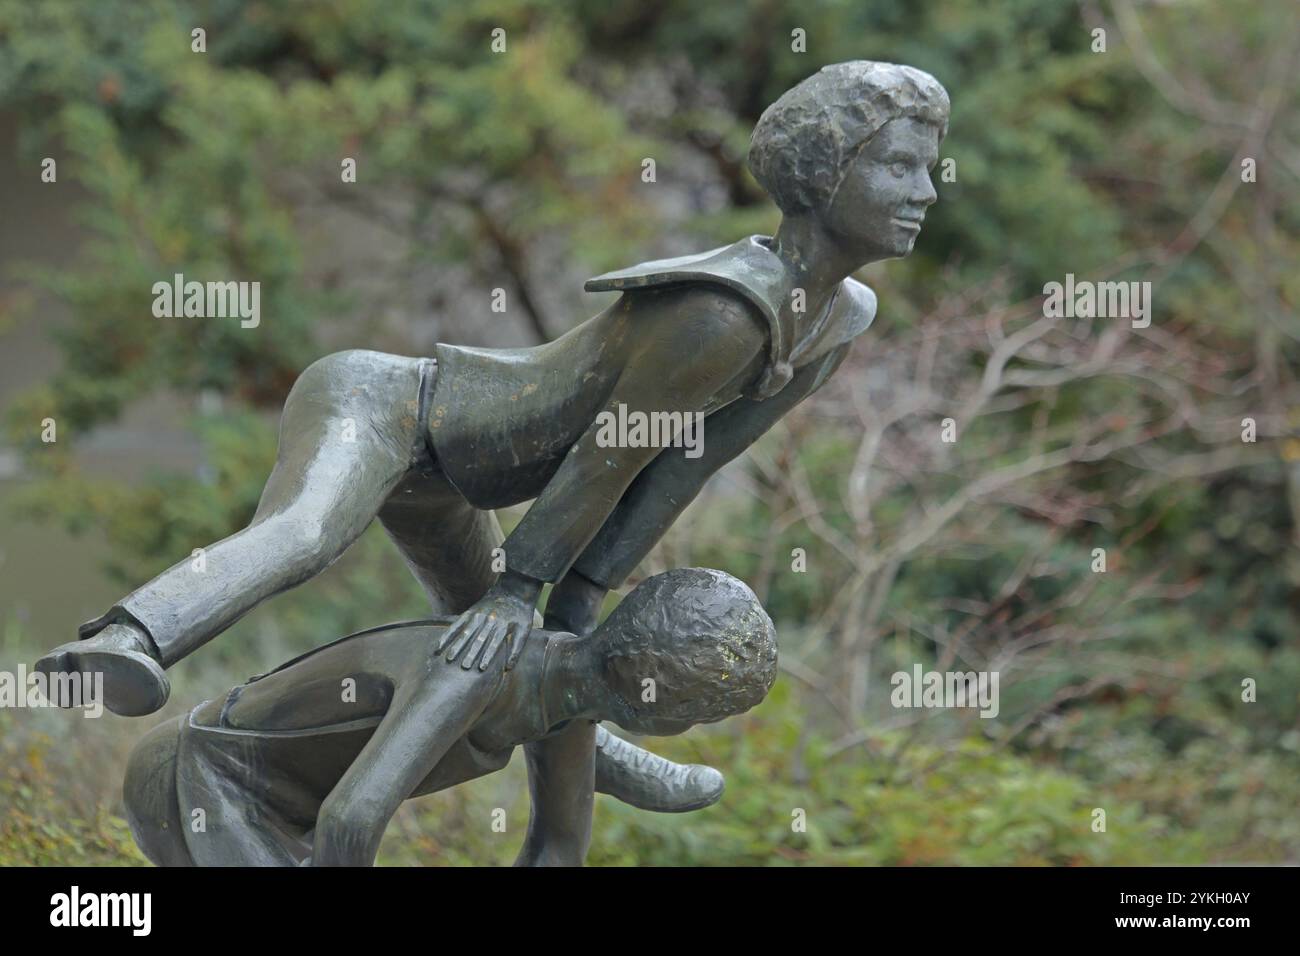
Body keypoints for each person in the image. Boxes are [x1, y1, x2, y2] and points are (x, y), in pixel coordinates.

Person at [39, 60, 950, 814]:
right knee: (308, 536)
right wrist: (521, 587)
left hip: (456, 480)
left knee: (521, 654)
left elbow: (690, 459)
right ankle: (128, 641)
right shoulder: (727, 310)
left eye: (929, 167)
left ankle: (597, 755)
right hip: (393, 408)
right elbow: (611, 450)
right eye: (901, 166)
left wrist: (578, 593)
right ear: (825, 170)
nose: (926, 190)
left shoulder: (840, 318)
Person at [122, 568, 776, 866]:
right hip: (203, 779)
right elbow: (350, 820)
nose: (691, 729)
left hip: (288, 815)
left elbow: (556, 850)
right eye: (698, 715)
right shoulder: (478, 668)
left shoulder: (570, 709)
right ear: (653, 693)